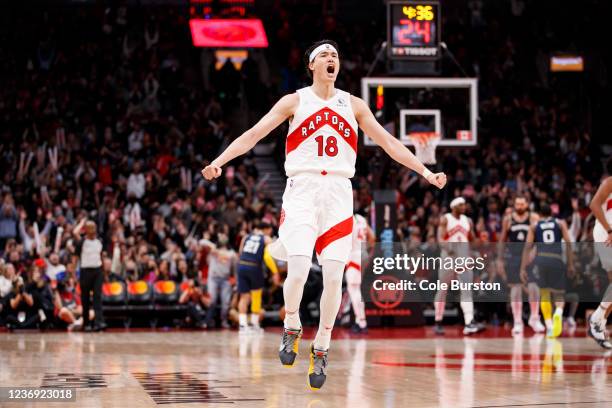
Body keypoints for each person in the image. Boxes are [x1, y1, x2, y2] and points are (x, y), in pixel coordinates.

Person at [202, 39, 446, 390]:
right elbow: (254, 134)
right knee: (299, 270)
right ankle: (291, 323)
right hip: (301, 190)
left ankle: (322, 346)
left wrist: (425, 172)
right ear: (312, 65)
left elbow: (391, 144)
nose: (332, 58)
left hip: (338, 195)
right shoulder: (294, 100)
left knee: (334, 278)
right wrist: (218, 162)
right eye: (325, 55)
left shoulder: (355, 104)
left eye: (336, 54)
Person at [520, 204, 574, 339]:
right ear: (551, 213)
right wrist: (571, 264)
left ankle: (549, 326)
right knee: (559, 294)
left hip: (541, 260)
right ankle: (559, 313)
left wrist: (522, 268)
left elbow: (527, 248)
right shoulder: (560, 223)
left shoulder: (534, 226)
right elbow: (568, 243)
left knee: (544, 294)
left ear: (539, 213)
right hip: (556, 260)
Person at [434, 197, 485, 336]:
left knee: (466, 290)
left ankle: (469, 322)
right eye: (461, 204)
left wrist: (480, 238)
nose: (464, 206)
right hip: (449, 258)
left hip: (463, 258)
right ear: (453, 206)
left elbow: (473, 241)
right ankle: (438, 321)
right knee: (442, 289)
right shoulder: (446, 219)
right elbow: (440, 238)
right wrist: (447, 246)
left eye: (464, 204)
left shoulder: (468, 221)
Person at [498, 196, 544, 335]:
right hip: (514, 257)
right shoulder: (508, 219)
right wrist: (500, 259)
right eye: (517, 204)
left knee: (534, 286)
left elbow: (540, 237)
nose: (519, 206)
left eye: (522, 204)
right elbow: (502, 240)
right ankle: (517, 321)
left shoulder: (534, 217)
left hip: (530, 256)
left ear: (527, 204)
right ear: (514, 205)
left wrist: (536, 252)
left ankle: (535, 318)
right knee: (515, 288)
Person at [236, 222, 278, 333]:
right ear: (266, 229)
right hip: (254, 267)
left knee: (244, 297)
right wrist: (275, 272)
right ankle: (254, 325)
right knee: (256, 296)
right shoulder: (266, 239)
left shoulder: (246, 237)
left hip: (242, 266)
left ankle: (242, 325)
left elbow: (240, 253)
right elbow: (268, 257)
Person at [587, 160, 612, 349]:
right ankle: (597, 320)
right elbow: (594, 204)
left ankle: (599, 322)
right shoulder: (610, 182)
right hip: (606, 234)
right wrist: (609, 230)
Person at [73, 219, 106, 331]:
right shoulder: (81, 242)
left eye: (94, 227)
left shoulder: (99, 242)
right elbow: (75, 259)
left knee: (97, 297)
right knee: (85, 298)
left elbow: (101, 257)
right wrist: (73, 274)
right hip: (85, 271)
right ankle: (86, 323)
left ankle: (99, 323)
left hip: (97, 271)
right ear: (86, 230)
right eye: (90, 227)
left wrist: (104, 272)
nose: (93, 230)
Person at [346, 213, 375, 334]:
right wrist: (369, 253)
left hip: (353, 256)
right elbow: (372, 237)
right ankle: (359, 321)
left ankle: (362, 322)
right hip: (363, 254)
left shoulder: (347, 218)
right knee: (357, 289)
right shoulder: (362, 218)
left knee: (354, 290)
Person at [201, 233, 237, 329]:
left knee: (226, 303)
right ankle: (209, 321)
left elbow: (234, 267)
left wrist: (234, 280)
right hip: (213, 279)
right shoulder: (213, 250)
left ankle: (224, 321)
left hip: (225, 280)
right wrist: (214, 247)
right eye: (221, 237)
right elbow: (202, 242)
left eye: (224, 237)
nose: (223, 238)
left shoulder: (231, 253)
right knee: (211, 300)